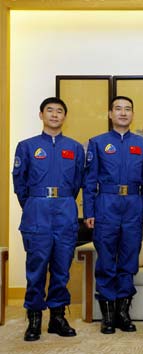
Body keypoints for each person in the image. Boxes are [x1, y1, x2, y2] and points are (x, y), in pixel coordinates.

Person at [12, 97, 84, 341]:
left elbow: (76, 184)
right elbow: (19, 183)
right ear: (41, 114)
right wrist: (34, 204)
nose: (55, 115)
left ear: (65, 117)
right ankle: (33, 320)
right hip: (37, 212)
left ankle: (57, 318)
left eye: (60, 111)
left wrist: (61, 201)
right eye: (50, 110)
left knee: (62, 269)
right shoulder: (27, 146)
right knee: (37, 269)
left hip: (65, 211)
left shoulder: (74, 148)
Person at [83, 96, 143, 334]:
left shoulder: (142, 145)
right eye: (118, 109)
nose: (123, 113)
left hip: (133, 205)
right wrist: (89, 211)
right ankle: (108, 315)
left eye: (128, 109)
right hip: (106, 205)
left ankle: (123, 313)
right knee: (106, 260)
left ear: (133, 114)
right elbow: (89, 181)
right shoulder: (98, 143)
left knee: (129, 259)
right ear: (110, 114)